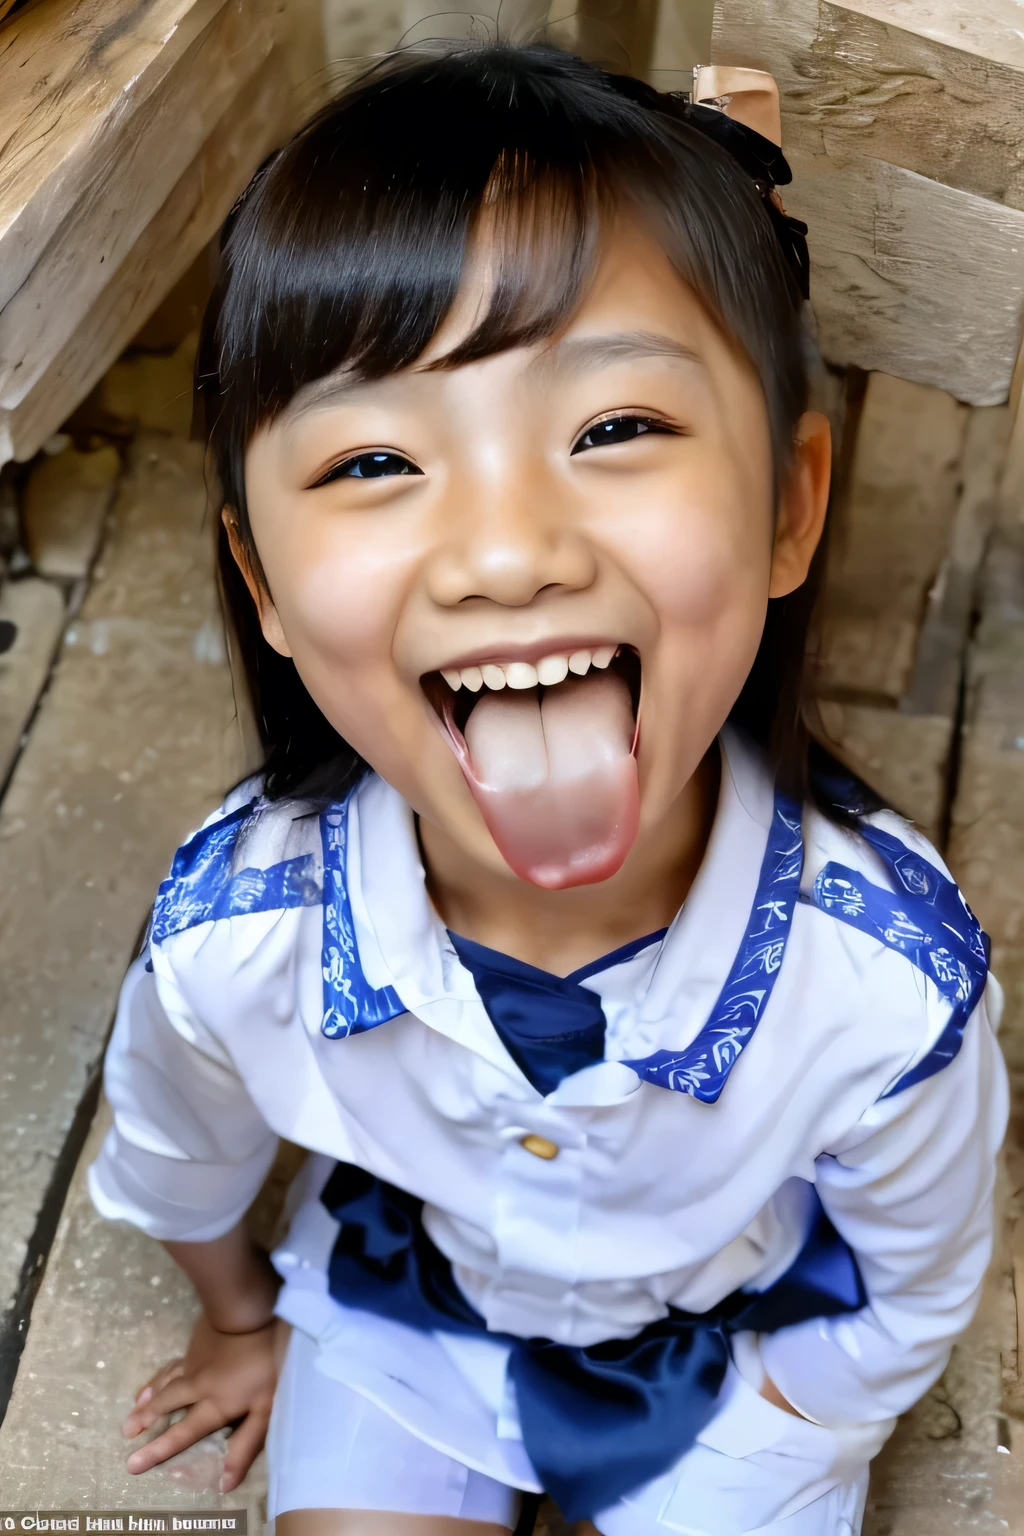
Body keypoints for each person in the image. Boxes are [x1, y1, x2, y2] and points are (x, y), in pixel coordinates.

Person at [88, 42, 1008, 1536]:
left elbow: (914, 1275)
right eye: (377, 459)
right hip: (408, 1324)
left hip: (739, 1363)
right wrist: (244, 1315)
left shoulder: (884, 982)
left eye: (616, 430)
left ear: (788, 504)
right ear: (260, 578)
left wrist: (793, 1420)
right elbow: (174, 1144)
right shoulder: (232, 932)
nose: (508, 552)